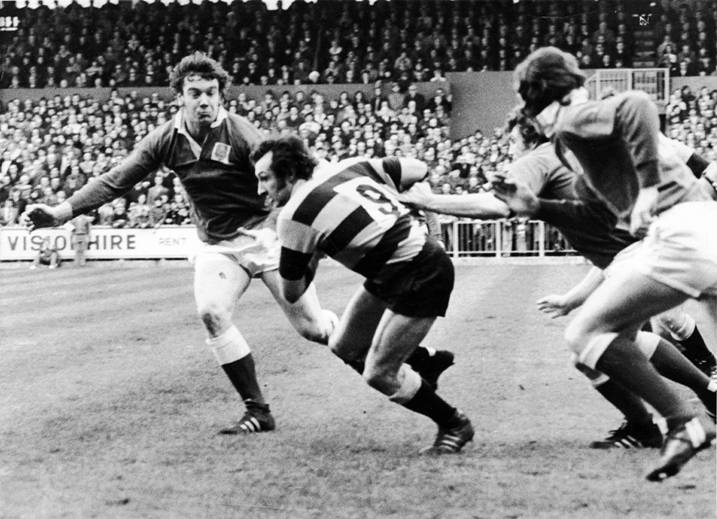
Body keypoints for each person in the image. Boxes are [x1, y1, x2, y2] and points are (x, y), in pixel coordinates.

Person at [22, 52, 451, 435]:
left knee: (314, 329)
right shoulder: (164, 140)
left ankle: (414, 358)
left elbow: (293, 173)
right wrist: (61, 213)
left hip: (266, 237)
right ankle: (257, 409)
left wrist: (289, 217)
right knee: (211, 312)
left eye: (211, 92)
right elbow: (117, 179)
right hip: (217, 244)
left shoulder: (243, 135)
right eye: (195, 93)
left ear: (221, 95)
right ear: (179, 97)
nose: (204, 101)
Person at [399, 108, 717, 451]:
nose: (510, 147)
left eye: (512, 140)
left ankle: (662, 422)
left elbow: (496, 206)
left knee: (592, 347)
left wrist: (431, 200)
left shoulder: (538, 158)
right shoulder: (574, 153)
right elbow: (614, 251)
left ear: (524, 135)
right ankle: (688, 403)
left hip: (646, 253)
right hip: (649, 250)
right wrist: (573, 298)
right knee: (618, 342)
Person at [513, 46, 716, 481]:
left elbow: (639, 104)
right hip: (700, 227)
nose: (534, 122)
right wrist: (538, 207)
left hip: (681, 232)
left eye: (531, 110)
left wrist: (647, 189)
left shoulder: (572, 117)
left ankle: (684, 423)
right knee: (614, 332)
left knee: (586, 334)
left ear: (545, 100)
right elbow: (596, 213)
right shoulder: (578, 145)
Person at [251, 135, 474, 454]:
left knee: (379, 374)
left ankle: (453, 423)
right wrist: (433, 229)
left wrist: (297, 252)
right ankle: (426, 361)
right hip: (404, 266)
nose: (260, 190)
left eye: (264, 178)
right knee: (343, 344)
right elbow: (418, 168)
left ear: (288, 174)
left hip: (419, 273)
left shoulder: (294, 216)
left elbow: (292, 291)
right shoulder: (350, 166)